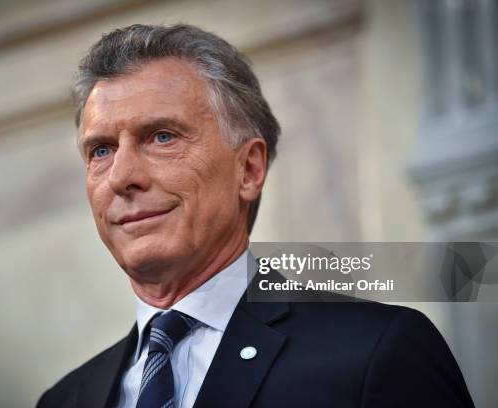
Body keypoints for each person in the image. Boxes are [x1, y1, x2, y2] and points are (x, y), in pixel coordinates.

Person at [37, 24, 475, 408]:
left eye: (162, 136)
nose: (122, 177)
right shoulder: (64, 399)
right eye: (101, 150)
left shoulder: (376, 354)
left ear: (248, 169)